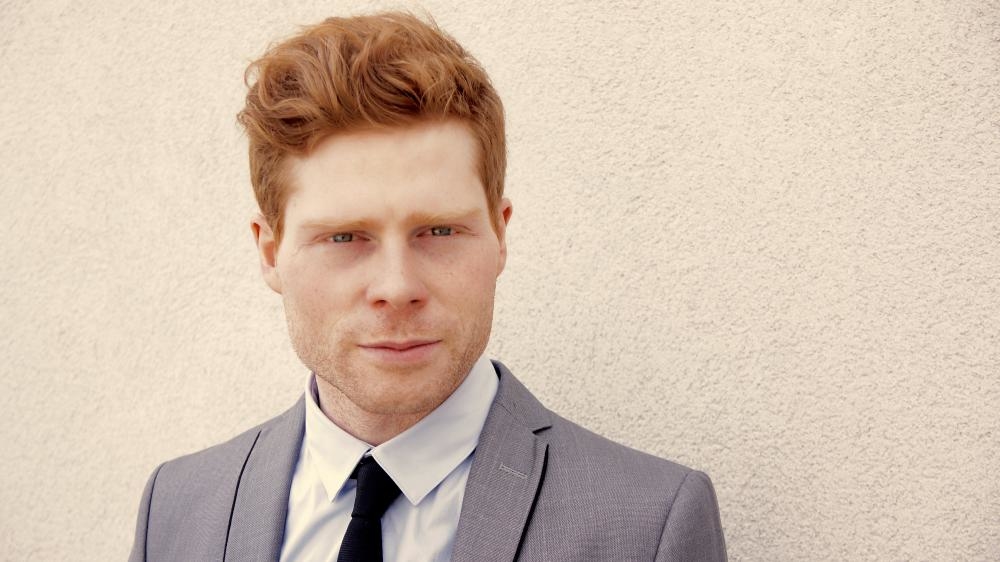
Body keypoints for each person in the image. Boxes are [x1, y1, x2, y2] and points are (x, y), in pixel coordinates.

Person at [128, 12, 727, 562]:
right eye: (344, 237)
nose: (397, 287)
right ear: (270, 253)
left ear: (499, 235)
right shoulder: (176, 510)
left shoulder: (651, 523)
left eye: (439, 231)